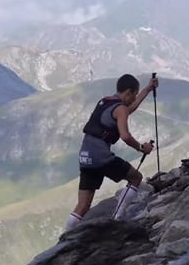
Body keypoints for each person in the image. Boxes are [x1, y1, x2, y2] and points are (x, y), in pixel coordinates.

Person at [64, 73, 158, 231]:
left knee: (83, 205)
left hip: (85, 157)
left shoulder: (106, 101)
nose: (134, 99)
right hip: (101, 157)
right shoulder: (120, 108)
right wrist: (141, 148)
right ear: (128, 92)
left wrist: (148, 89)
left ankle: (65, 237)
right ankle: (118, 218)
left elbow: (129, 109)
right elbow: (126, 136)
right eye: (134, 95)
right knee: (136, 178)